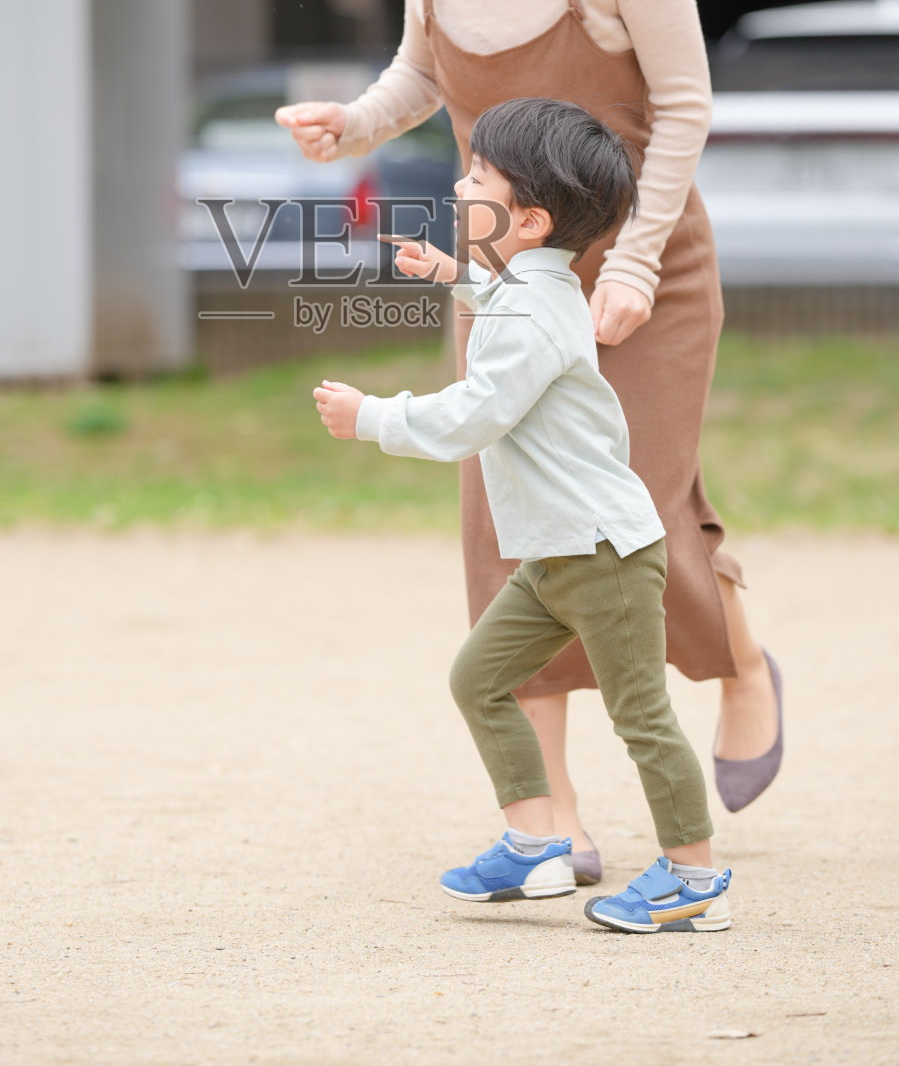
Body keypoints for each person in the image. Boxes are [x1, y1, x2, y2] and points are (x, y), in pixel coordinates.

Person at [276, 0, 782, 879]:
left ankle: (742, 662)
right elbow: (422, 68)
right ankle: (548, 818)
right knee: (506, 526)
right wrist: (351, 122)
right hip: (502, 278)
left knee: (631, 521)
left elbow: (682, 109)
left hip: (640, 266)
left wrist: (638, 267)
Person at [314, 98, 733, 933]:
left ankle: (694, 878)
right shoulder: (541, 284)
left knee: (639, 715)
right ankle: (535, 842)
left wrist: (371, 416)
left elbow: (474, 414)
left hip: (602, 555)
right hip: (558, 554)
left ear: (529, 219)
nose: (458, 182)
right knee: (478, 678)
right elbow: (509, 297)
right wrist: (453, 273)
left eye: (476, 176)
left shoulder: (532, 312)